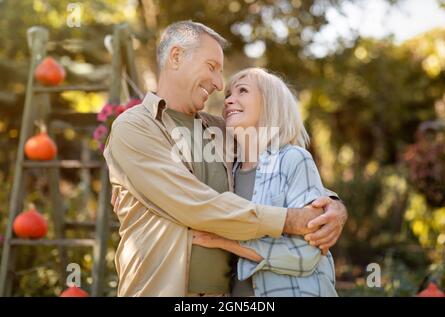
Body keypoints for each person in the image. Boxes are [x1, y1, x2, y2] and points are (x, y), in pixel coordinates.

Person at [104, 20, 347, 297]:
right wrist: (290, 220)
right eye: (212, 67)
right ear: (176, 56)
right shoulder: (135, 127)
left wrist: (333, 207)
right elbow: (194, 204)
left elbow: (278, 163)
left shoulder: (220, 130)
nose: (220, 85)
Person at [192, 67, 338, 296]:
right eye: (228, 94)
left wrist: (226, 242)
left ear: (270, 103)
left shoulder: (293, 159)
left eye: (242, 91)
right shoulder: (228, 172)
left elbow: (307, 253)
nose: (229, 100)